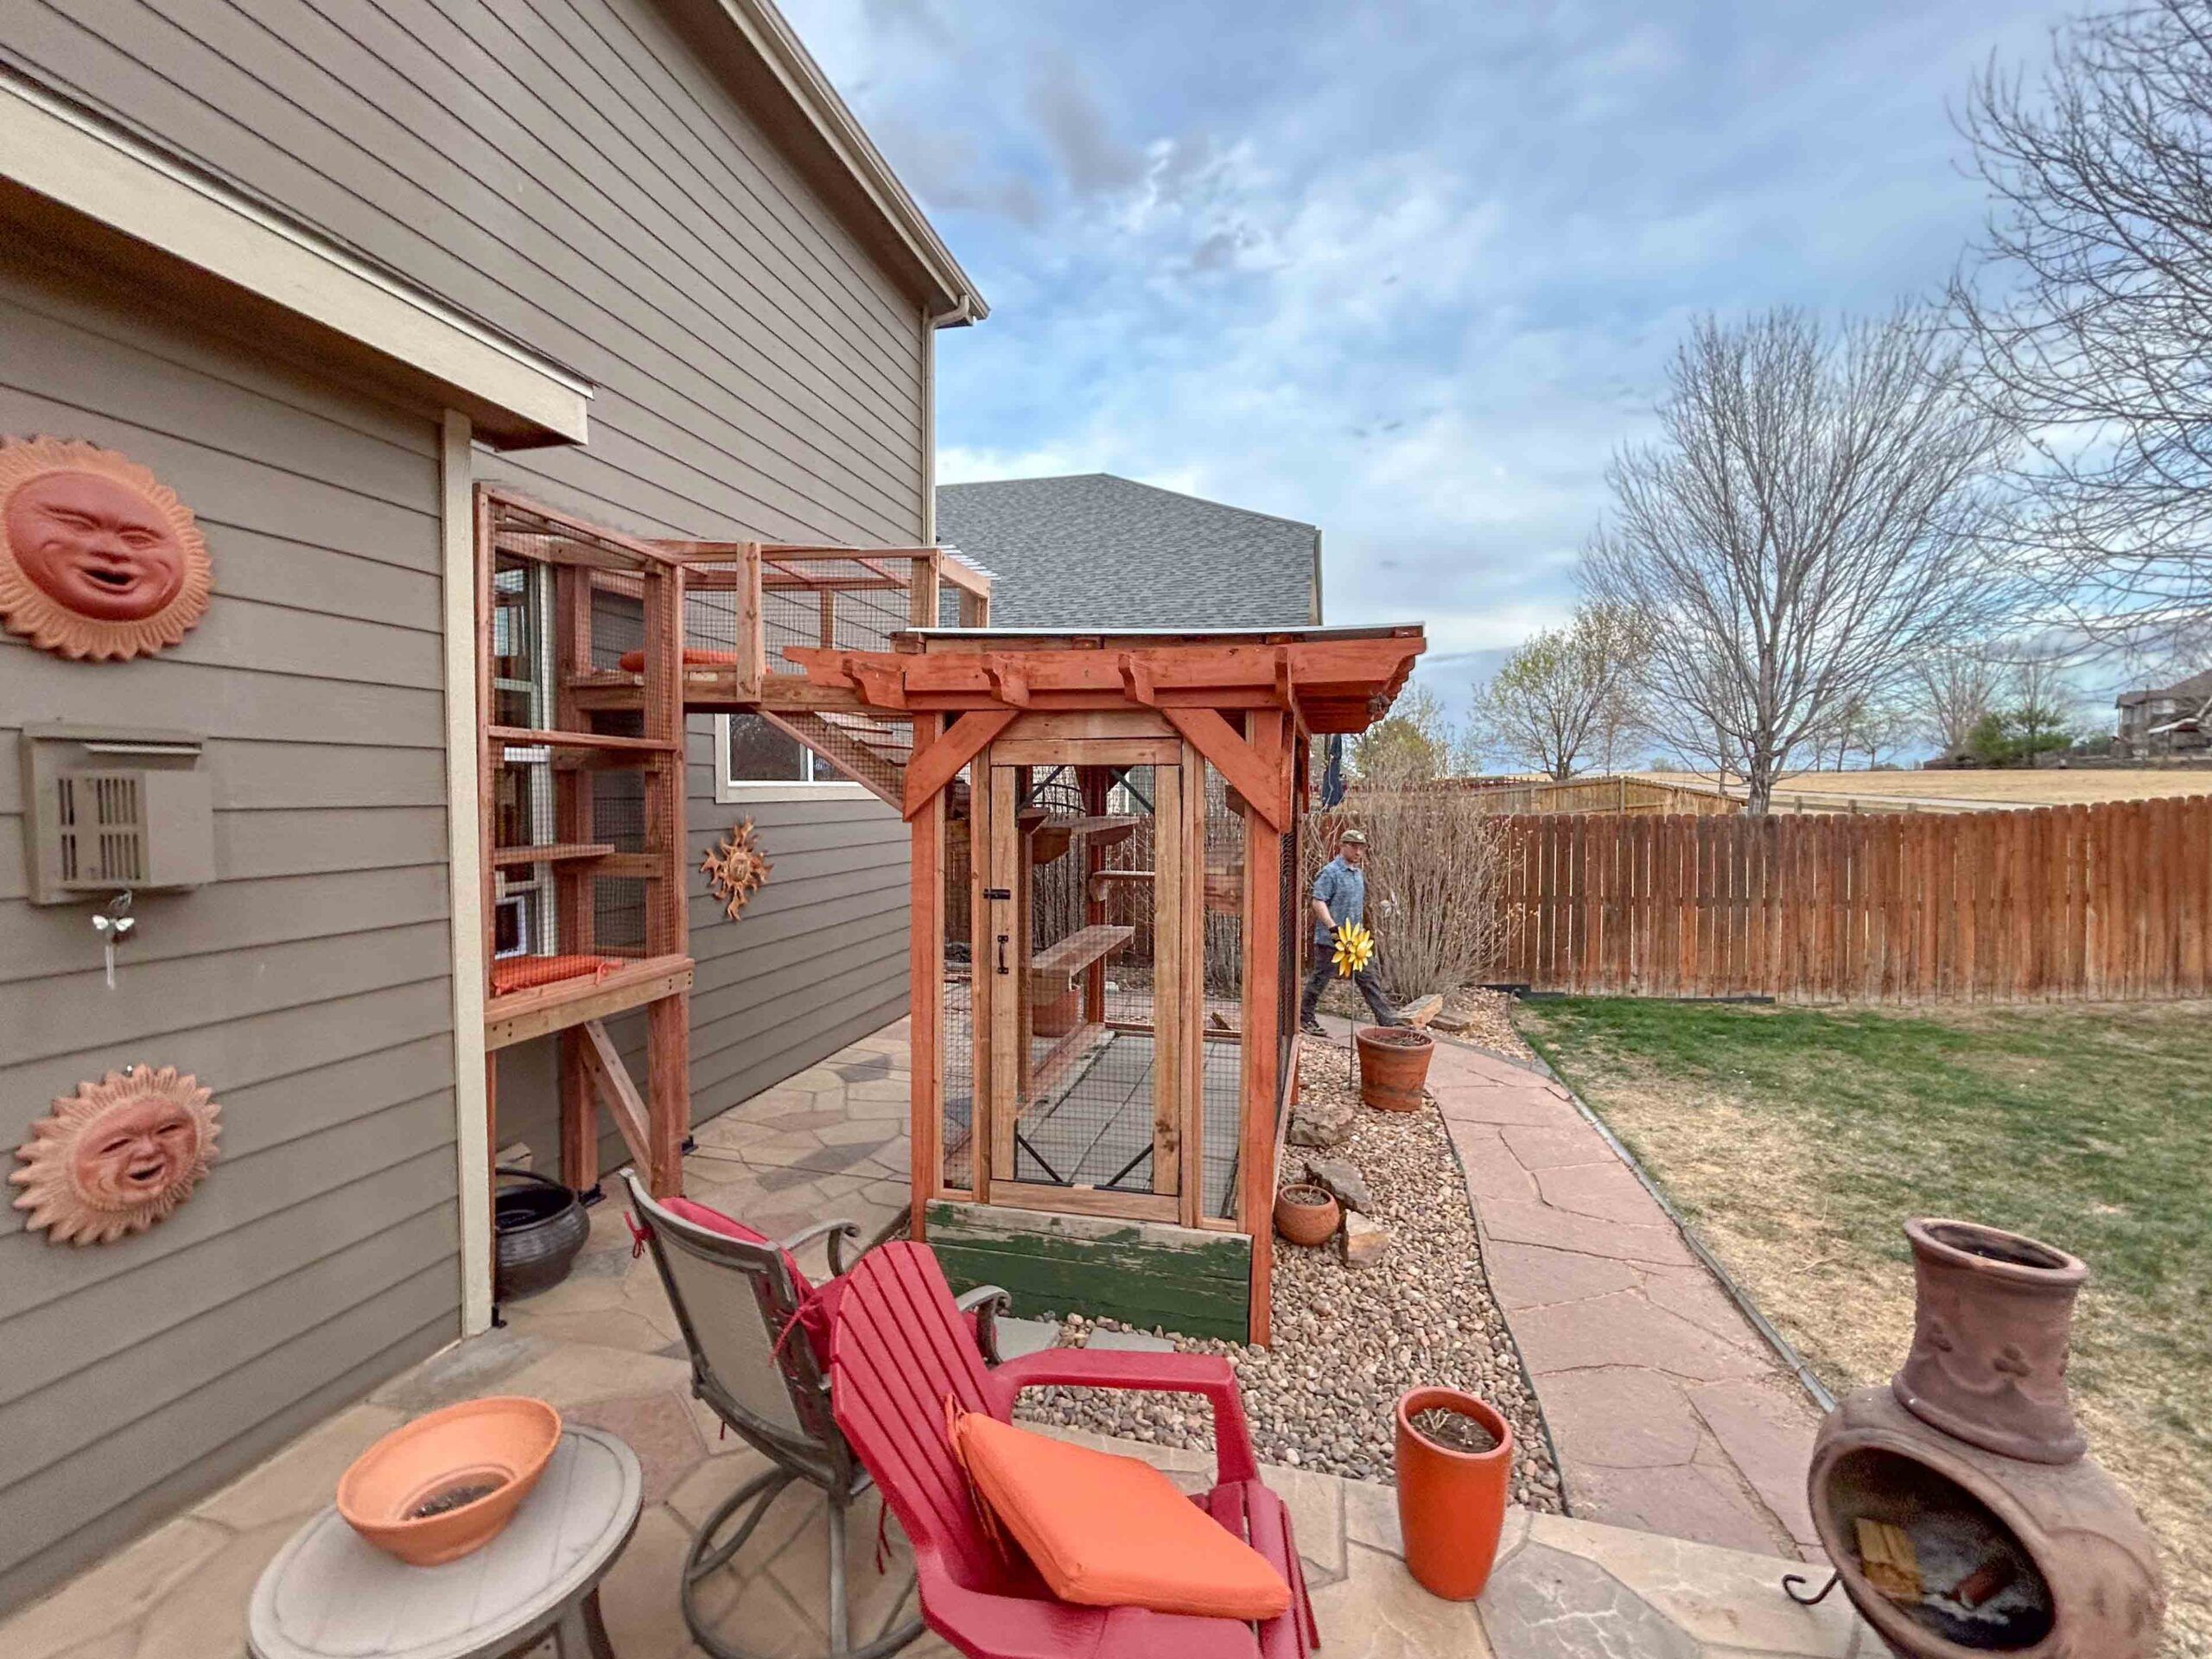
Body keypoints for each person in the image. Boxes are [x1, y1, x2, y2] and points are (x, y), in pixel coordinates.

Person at [1299, 828, 1396, 1035]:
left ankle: (1388, 1022)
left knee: (1369, 978)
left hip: (1356, 940)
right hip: (1331, 939)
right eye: (1353, 847)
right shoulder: (1330, 873)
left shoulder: (1358, 874)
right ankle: (1304, 1018)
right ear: (1342, 846)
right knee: (1320, 979)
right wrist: (1332, 926)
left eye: (1361, 848)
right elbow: (1318, 902)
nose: (1358, 852)